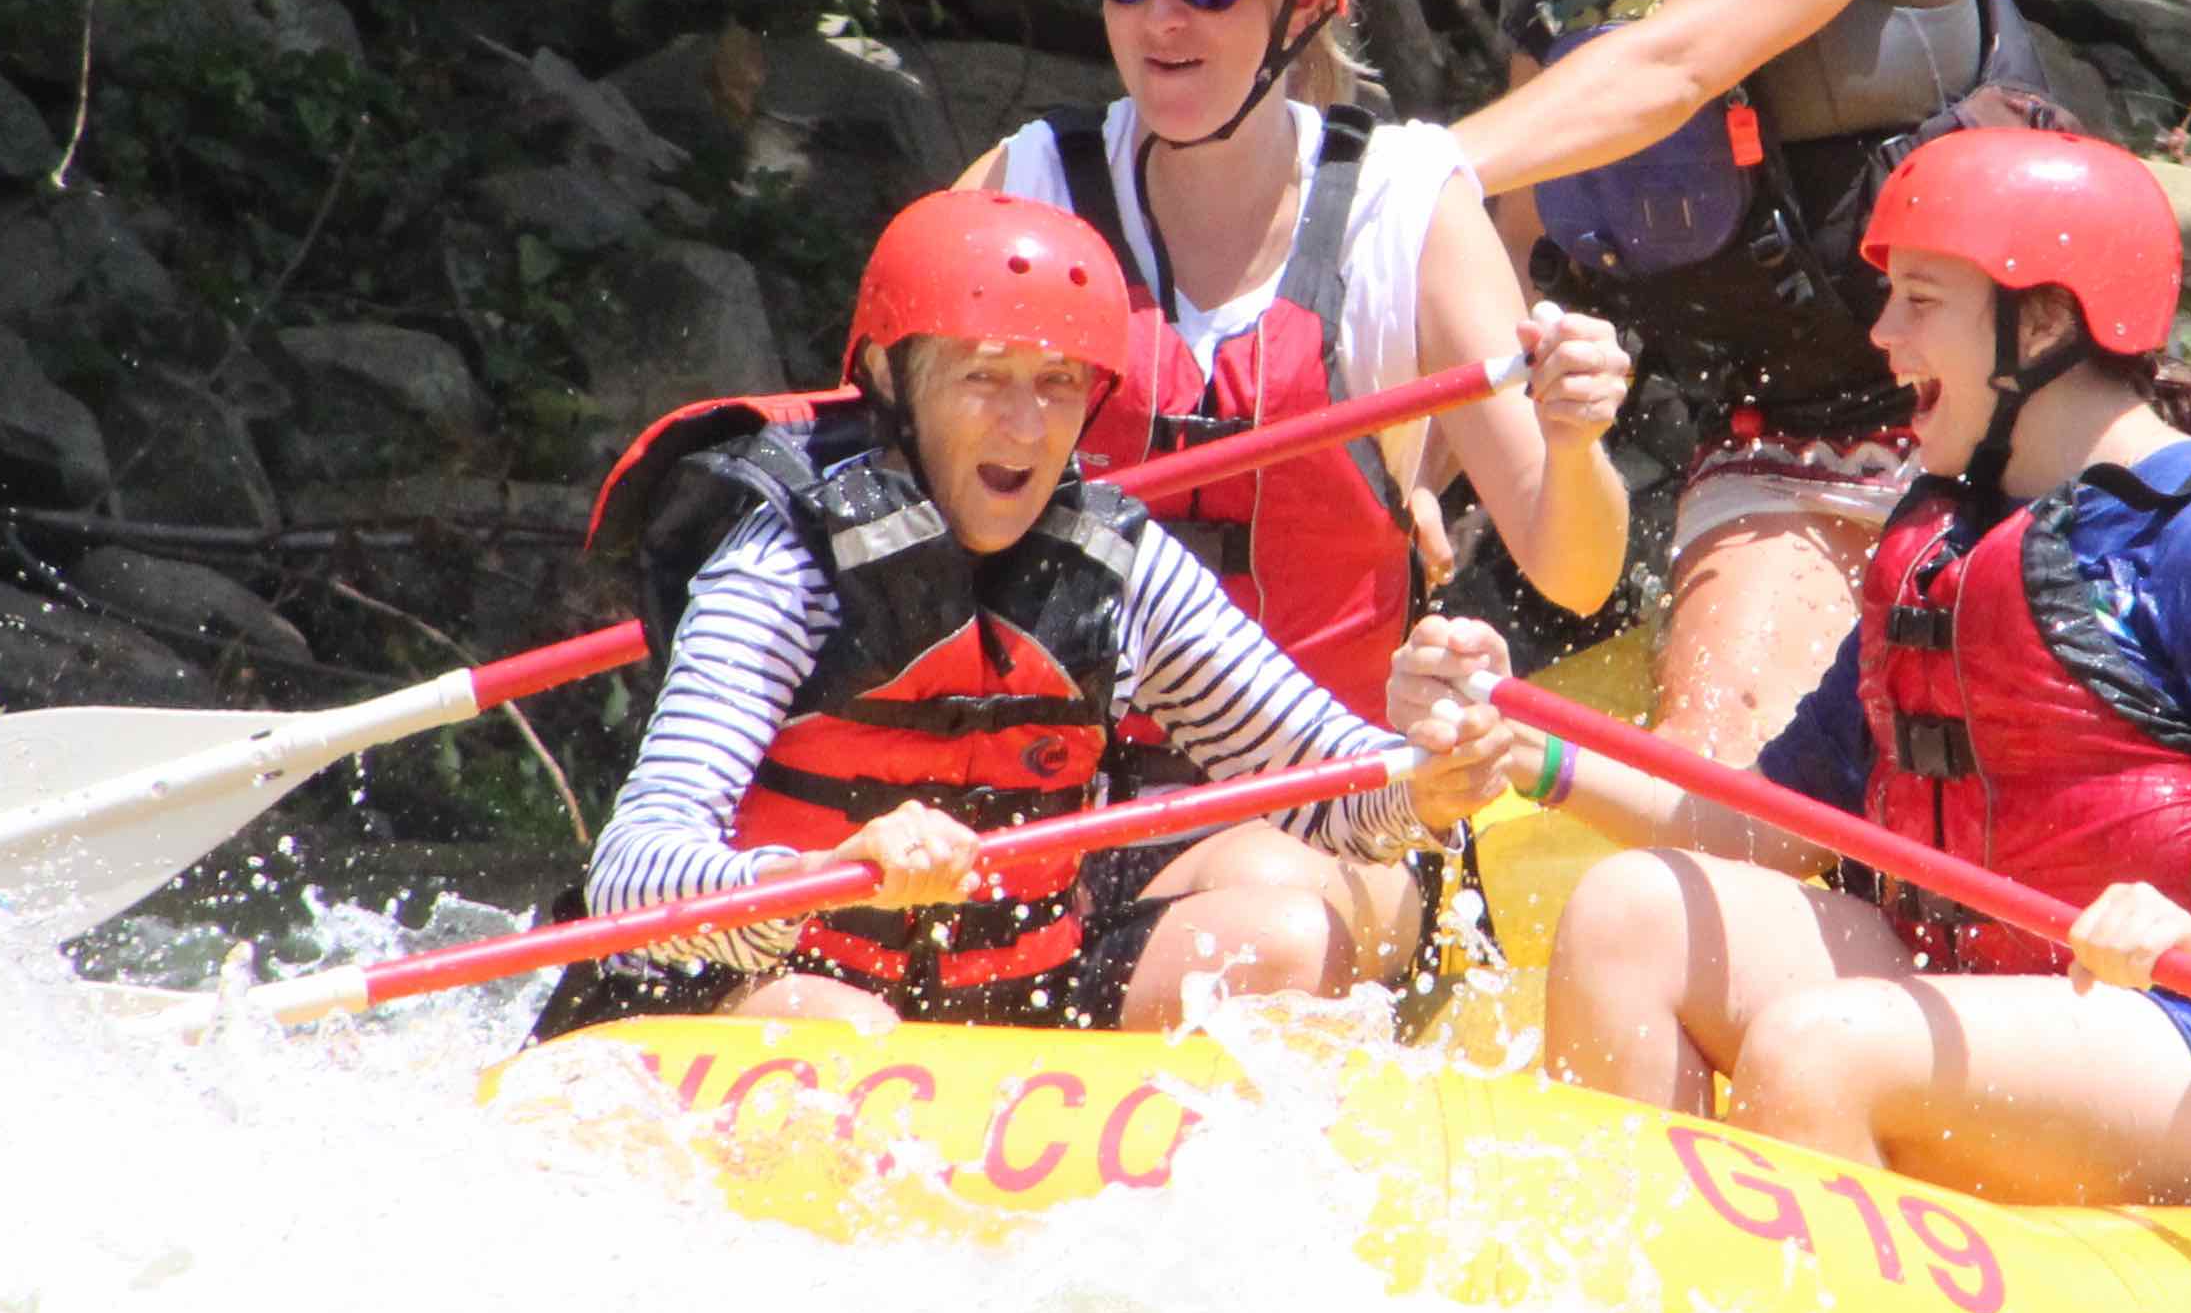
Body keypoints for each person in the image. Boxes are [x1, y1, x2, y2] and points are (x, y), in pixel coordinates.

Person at [1397, 131, 2191, 1211]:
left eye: (1920, 300)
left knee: (1820, 1050)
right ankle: (1630, 1270)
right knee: (1629, 916)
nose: (1880, 335)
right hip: (1990, 989)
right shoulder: (1950, 551)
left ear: (2045, 324)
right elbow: (1762, 822)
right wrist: (1527, 750)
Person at [569, 188, 1506, 1032]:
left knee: (1286, 937)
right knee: (841, 1029)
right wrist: (816, 875)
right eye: (984, 376)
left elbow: (1325, 778)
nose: (1027, 427)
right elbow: (631, 871)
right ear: (894, 380)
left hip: (1010, 993)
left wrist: (1430, 771)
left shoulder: (1120, 568)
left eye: (1058, 383)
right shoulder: (784, 567)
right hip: (774, 989)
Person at [961, 0, 1632, 969]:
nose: (1159, 19)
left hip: (1336, 819)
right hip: (1052, 817)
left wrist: (1574, 444)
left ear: (1305, 7)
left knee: (1263, 911)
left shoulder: (1403, 209)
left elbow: (1574, 573)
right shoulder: (1020, 192)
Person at [1441, 0, 2057, 762]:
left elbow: (1670, 64)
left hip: (2011, 413)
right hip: (1780, 436)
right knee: (1719, 769)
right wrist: (1425, 468)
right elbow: (1500, 239)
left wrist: (1420, 164)